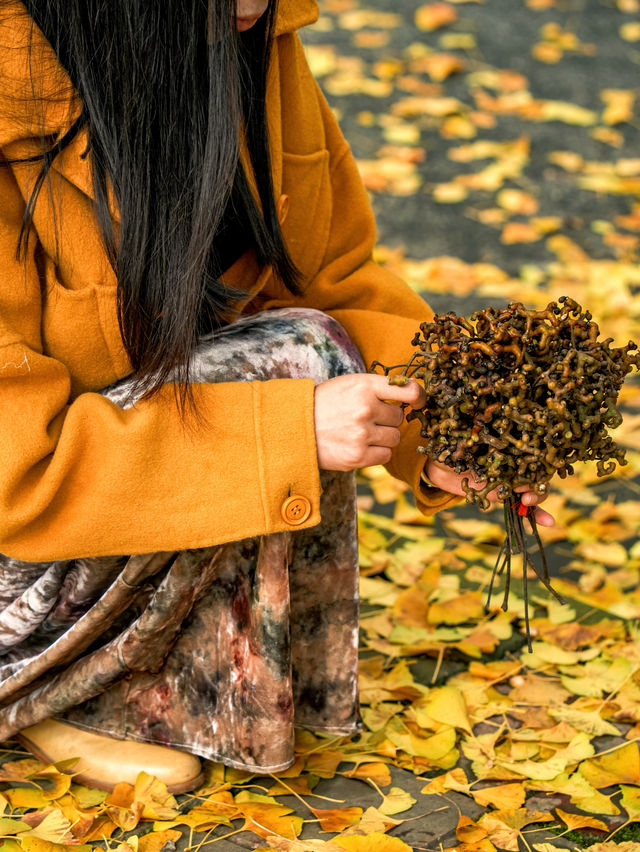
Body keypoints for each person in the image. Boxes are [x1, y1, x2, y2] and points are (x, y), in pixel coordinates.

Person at [0, 0, 553, 793]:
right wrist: (287, 434)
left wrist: (453, 433)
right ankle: (43, 689)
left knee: (304, 350)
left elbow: (332, 281)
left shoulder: (245, 39)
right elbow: (17, 473)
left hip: (110, 480)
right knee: (294, 368)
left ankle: (137, 678)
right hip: (18, 531)